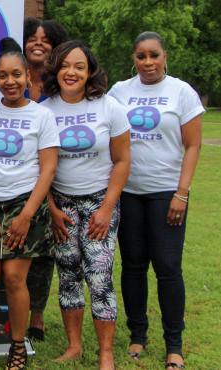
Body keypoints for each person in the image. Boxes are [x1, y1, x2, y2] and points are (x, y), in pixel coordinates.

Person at [108, 31, 204, 370]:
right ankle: (138, 335)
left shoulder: (181, 92)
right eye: (141, 56)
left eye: (154, 55)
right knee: (133, 265)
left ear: (165, 56)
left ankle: (173, 344)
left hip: (167, 193)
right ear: (133, 58)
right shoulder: (119, 92)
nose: (147, 62)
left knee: (167, 267)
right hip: (129, 192)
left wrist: (182, 192)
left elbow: (192, 145)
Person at [0, 41, 60, 370]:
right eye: (2, 76)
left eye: (16, 74)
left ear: (28, 76)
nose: (10, 82)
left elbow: (48, 168)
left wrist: (27, 215)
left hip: (26, 205)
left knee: (15, 280)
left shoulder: (42, 116)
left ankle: (17, 347)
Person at [40, 40, 131, 369]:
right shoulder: (45, 110)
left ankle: (106, 352)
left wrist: (106, 209)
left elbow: (122, 162)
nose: (71, 72)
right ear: (56, 69)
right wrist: (51, 210)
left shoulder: (110, 108)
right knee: (67, 275)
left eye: (79, 66)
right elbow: (40, 169)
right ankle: (74, 345)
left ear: (90, 71)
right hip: (61, 205)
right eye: (65, 65)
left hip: (99, 203)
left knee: (100, 277)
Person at [23, 16, 69, 342]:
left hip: (56, 180)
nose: (39, 43)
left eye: (46, 39)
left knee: (44, 255)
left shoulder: (62, 87)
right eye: (32, 38)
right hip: (17, 180)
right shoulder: (9, 80)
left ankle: (36, 316)